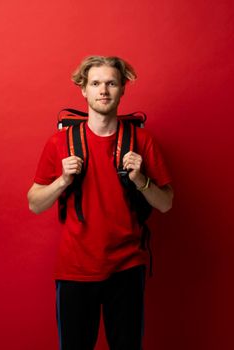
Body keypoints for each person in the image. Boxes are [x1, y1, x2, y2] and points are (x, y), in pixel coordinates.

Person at [27, 55, 173, 350]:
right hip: (76, 268)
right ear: (83, 89)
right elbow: (34, 203)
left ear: (122, 89)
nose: (103, 90)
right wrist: (63, 181)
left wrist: (140, 179)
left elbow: (166, 203)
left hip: (127, 267)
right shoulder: (60, 142)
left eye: (111, 83)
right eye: (95, 83)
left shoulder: (143, 141)